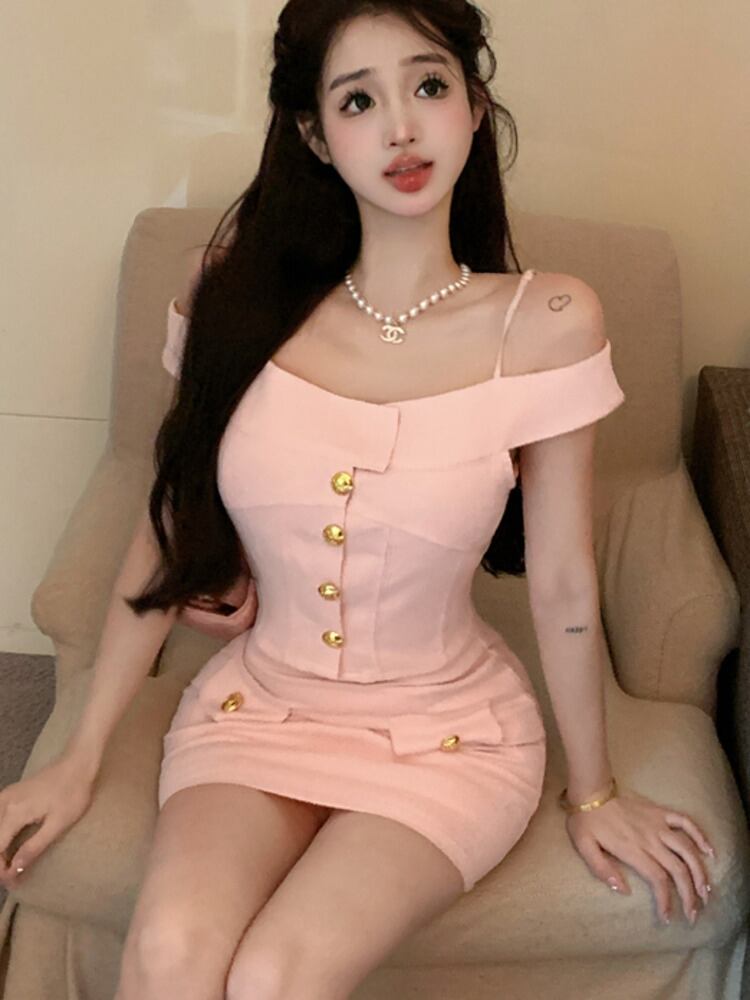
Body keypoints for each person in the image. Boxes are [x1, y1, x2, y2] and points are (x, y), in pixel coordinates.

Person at [1, 1, 715, 997]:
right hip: (258, 709)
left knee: (275, 977)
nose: (402, 128)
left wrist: (594, 792)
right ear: (313, 134)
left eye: (428, 85)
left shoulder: (547, 320)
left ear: (474, 104)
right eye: (358, 101)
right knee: (166, 958)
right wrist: (77, 758)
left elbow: (562, 579)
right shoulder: (229, 299)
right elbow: (166, 524)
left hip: (448, 734)